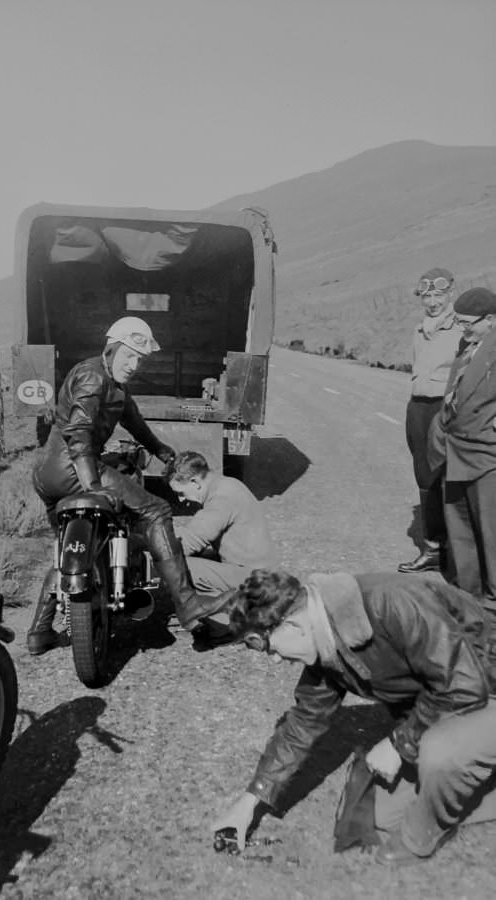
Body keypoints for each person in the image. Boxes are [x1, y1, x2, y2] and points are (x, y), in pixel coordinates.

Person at [213, 568, 496, 866]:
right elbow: (302, 723)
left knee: (440, 756)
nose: (274, 659)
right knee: (383, 812)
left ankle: (423, 837)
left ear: (294, 625)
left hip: (483, 688)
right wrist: (250, 801)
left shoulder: (394, 602)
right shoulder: (322, 632)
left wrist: (399, 743)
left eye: (266, 646)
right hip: (453, 697)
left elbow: (464, 686)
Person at [27, 316, 224, 654]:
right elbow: (78, 433)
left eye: (139, 359)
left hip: (48, 477)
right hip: (75, 468)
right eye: (128, 356)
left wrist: (163, 452)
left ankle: (39, 632)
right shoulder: (93, 377)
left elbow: (134, 422)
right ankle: (189, 604)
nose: (133, 365)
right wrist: (91, 484)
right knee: (157, 510)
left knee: (67, 552)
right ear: (112, 349)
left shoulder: (112, 382)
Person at [429, 287, 496, 620]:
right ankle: (467, 600)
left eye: (468, 323)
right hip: (456, 452)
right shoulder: (468, 345)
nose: (463, 329)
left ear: (491, 320)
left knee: (491, 534)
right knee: (462, 531)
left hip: (487, 456)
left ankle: (493, 606)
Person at [166, 450, 277, 630]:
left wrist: (150, 547)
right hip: (260, 574)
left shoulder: (221, 500)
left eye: (180, 492)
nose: (180, 499)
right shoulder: (227, 484)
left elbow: (188, 542)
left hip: (257, 582)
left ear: (195, 482)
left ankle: (227, 615)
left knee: (177, 565)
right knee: (198, 558)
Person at [398, 268, 461, 574]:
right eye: (427, 296)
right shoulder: (419, 329)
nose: (433, 302)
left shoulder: (462, 328)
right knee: (424, 477)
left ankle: (456, 551)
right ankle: (433, 548)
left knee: (449, 477)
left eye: (439, 295)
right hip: (418, 408)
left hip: (444, 408)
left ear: (451, 294)